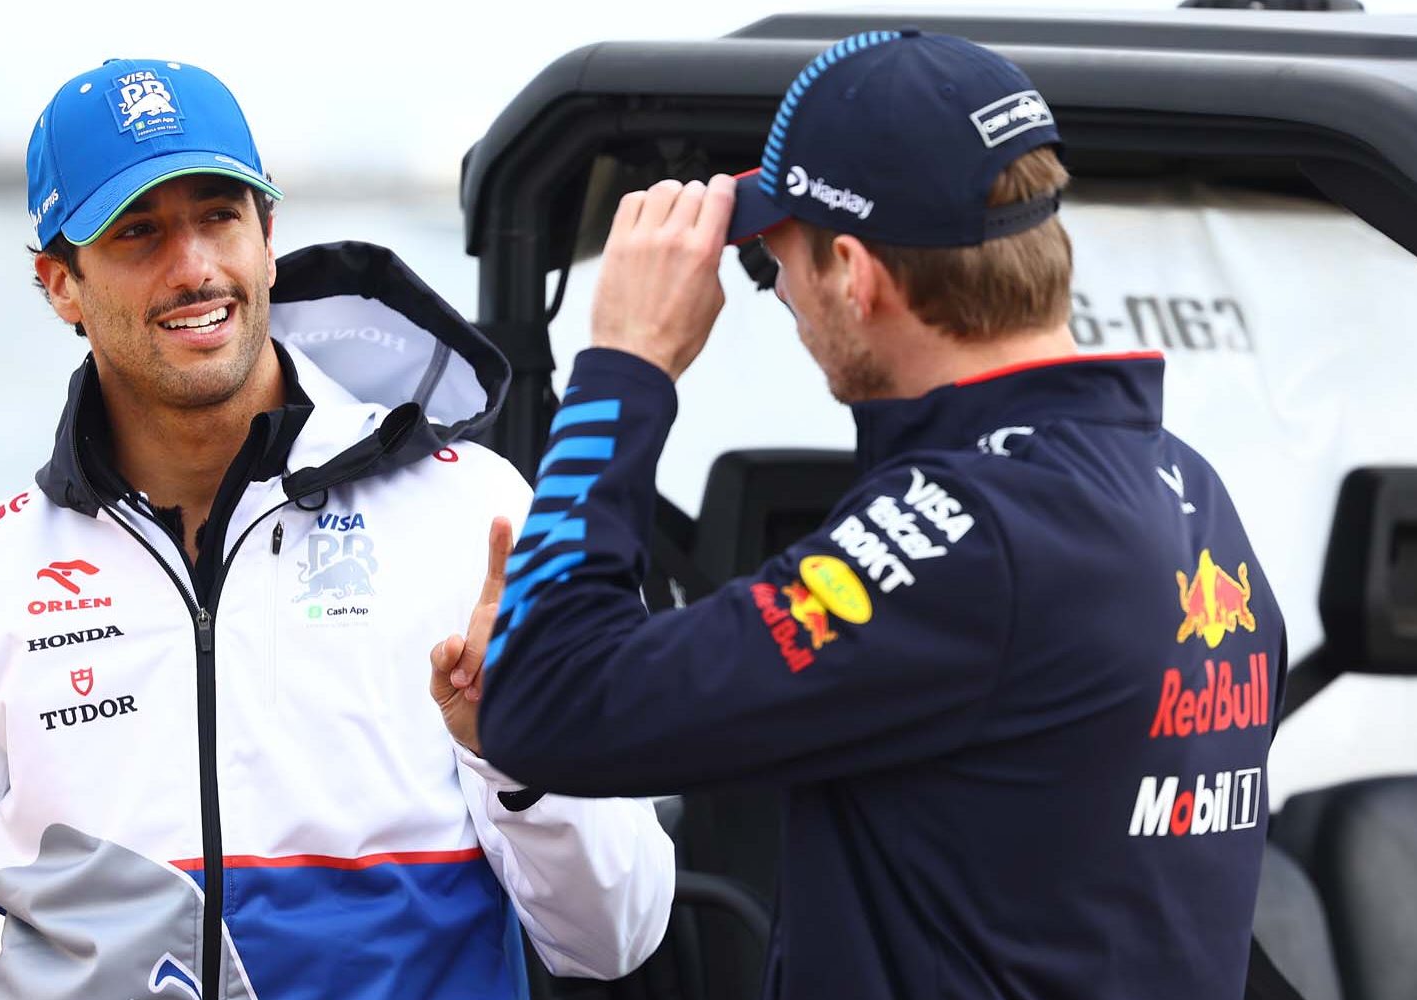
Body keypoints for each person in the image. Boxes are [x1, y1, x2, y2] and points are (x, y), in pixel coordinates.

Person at [0, 59, 674, 998]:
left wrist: (514, 747)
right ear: (61, 281)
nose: (194, 268)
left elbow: (615, 934)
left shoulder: (477, 516)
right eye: (138, 232)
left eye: (219, 214)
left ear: (268, 235)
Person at [468, 29, 1287, 1000]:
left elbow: (548, 703)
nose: (788, 306)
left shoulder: (966, 534)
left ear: (854, 272)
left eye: (774, 272)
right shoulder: (1187, 493)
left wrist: (626, 361)